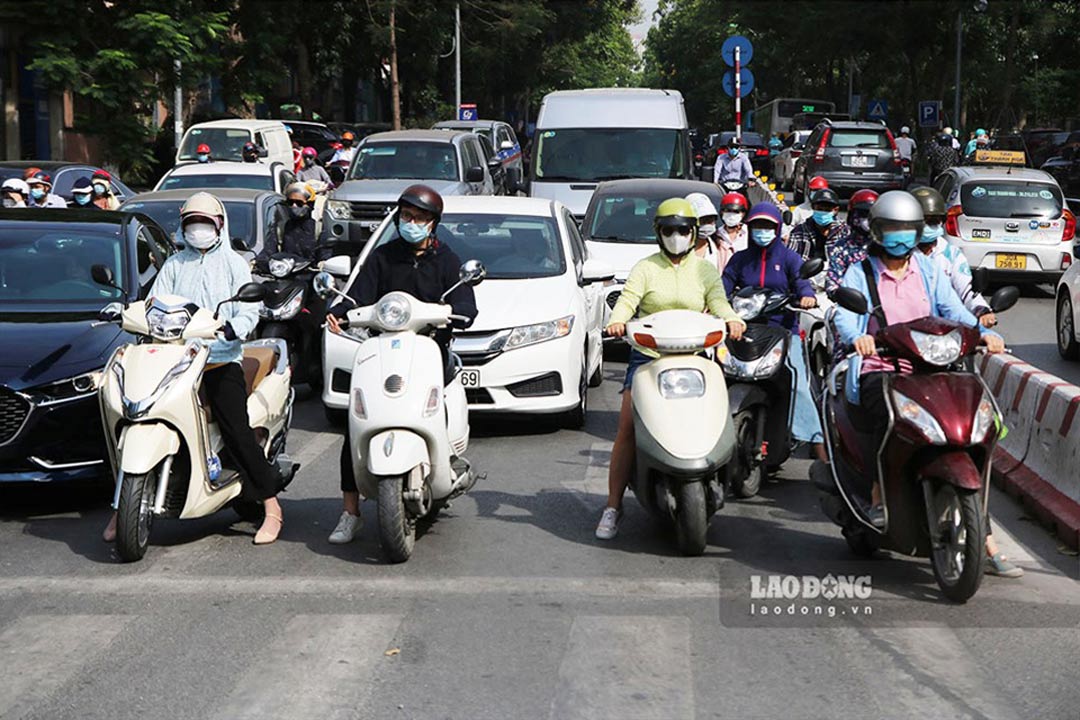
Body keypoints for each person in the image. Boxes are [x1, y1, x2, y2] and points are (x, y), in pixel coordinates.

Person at [102, 192, 293, 546]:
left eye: (205, 223)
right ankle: (122, 506)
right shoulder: (175, 264)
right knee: (132, 414)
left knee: (235, 427)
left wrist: (234, 328)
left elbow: (248, 309)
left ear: (219, 225)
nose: (198, 230)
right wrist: (131, 315)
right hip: (175, 358)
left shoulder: (234, 264)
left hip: (218, 359)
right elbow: (153, 303)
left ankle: (271, 505)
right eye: (192, 223)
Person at [833, 191, 1005, 529]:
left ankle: (982, 529)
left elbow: (952, 309)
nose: (900, 238)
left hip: (931, 365)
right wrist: (858, 338)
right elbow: (845, 316)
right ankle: (878, 493)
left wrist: (981, 332)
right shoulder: (860, 273)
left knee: (978, 417)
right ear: (877, 231)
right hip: (883, 367)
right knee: (887, 418)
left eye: (907, 230)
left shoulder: (928, 270)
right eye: (892, 229)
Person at [324, 185, 477, 544]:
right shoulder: (383, 257)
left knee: (434, 405)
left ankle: (446, 461)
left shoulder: (447, 260)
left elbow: (465, 305)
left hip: (429, 349)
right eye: (406, 216)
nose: (412, 223)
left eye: (420, 218)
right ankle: (350, 511)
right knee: (356, 419)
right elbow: (358, 296)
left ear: (433, 223)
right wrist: (339, 311)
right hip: (384, 349)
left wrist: (458, 313)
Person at [595, 198, 746, 540]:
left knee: (718, 416)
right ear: (658, 233)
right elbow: (628, 301)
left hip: (695, 357)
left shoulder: (705, 270)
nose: (676, 236)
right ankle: (613, 506)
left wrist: (732, 319)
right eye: (668, 230)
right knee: (627, 428)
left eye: (682, 230)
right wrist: (617, 321)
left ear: (693, 233)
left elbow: (719, 301)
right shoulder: (645, 268)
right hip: (649, 357)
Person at [723, 202, 826, 462]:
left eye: (768, 226)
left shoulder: (789, 258)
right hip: (745, 330)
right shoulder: (740, 259)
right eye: (757, 225)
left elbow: (802, 283)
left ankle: (818, 444)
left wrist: (806, 297)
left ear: (778, 228)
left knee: (797, 381)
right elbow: (723, 286)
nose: (762, 231)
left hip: (782, 330)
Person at [910, 187, 995, 327]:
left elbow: (966, 292)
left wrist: (982, 311)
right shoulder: (900, 254)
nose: (927, 227)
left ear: (942, 222)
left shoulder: (951, 255)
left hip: (945, 329)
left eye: (933, 221)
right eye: (922, 222)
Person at [255, 183, 330, 271]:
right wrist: (256, 262)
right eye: (290, 202)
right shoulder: (281, 228)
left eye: (299, 203)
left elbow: (324, 253)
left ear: (310, 205)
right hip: (284, 274)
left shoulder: (318, 229)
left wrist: (323, 263)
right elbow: (268, 251)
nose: (294, 206)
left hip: (308, 276)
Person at [824, 189, 878, 296]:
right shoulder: (841, 248)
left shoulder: (886, 246)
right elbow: (832, 283)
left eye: (872, 215)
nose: (867, 219)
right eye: (863, 214)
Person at [787, 187, 850, 263]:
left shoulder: (844, 231)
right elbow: (790, 257)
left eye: (827, 210)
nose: (823, 213)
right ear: (813, 207)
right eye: (820, 209)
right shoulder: (800, 231)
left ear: (835, 210)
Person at [686, 192, 734, 274]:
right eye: (702, 221)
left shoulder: (722, 250)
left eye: (710, 220)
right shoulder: (676, 249)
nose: (707, 225)